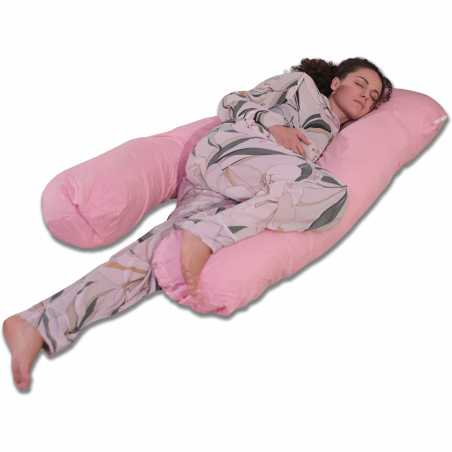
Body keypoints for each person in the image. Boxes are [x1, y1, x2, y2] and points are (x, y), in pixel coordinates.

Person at [3, 57, 393, 390]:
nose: (366, 95)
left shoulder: (336, 133)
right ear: (336, 82)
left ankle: (39, 323)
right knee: (330, 193)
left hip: (233, 191)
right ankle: (208, 235)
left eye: (374, 96)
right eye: (361, 83)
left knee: (156, 257)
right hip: (233, 152)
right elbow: (233, 101)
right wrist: (274, 126)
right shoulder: (301, 85)